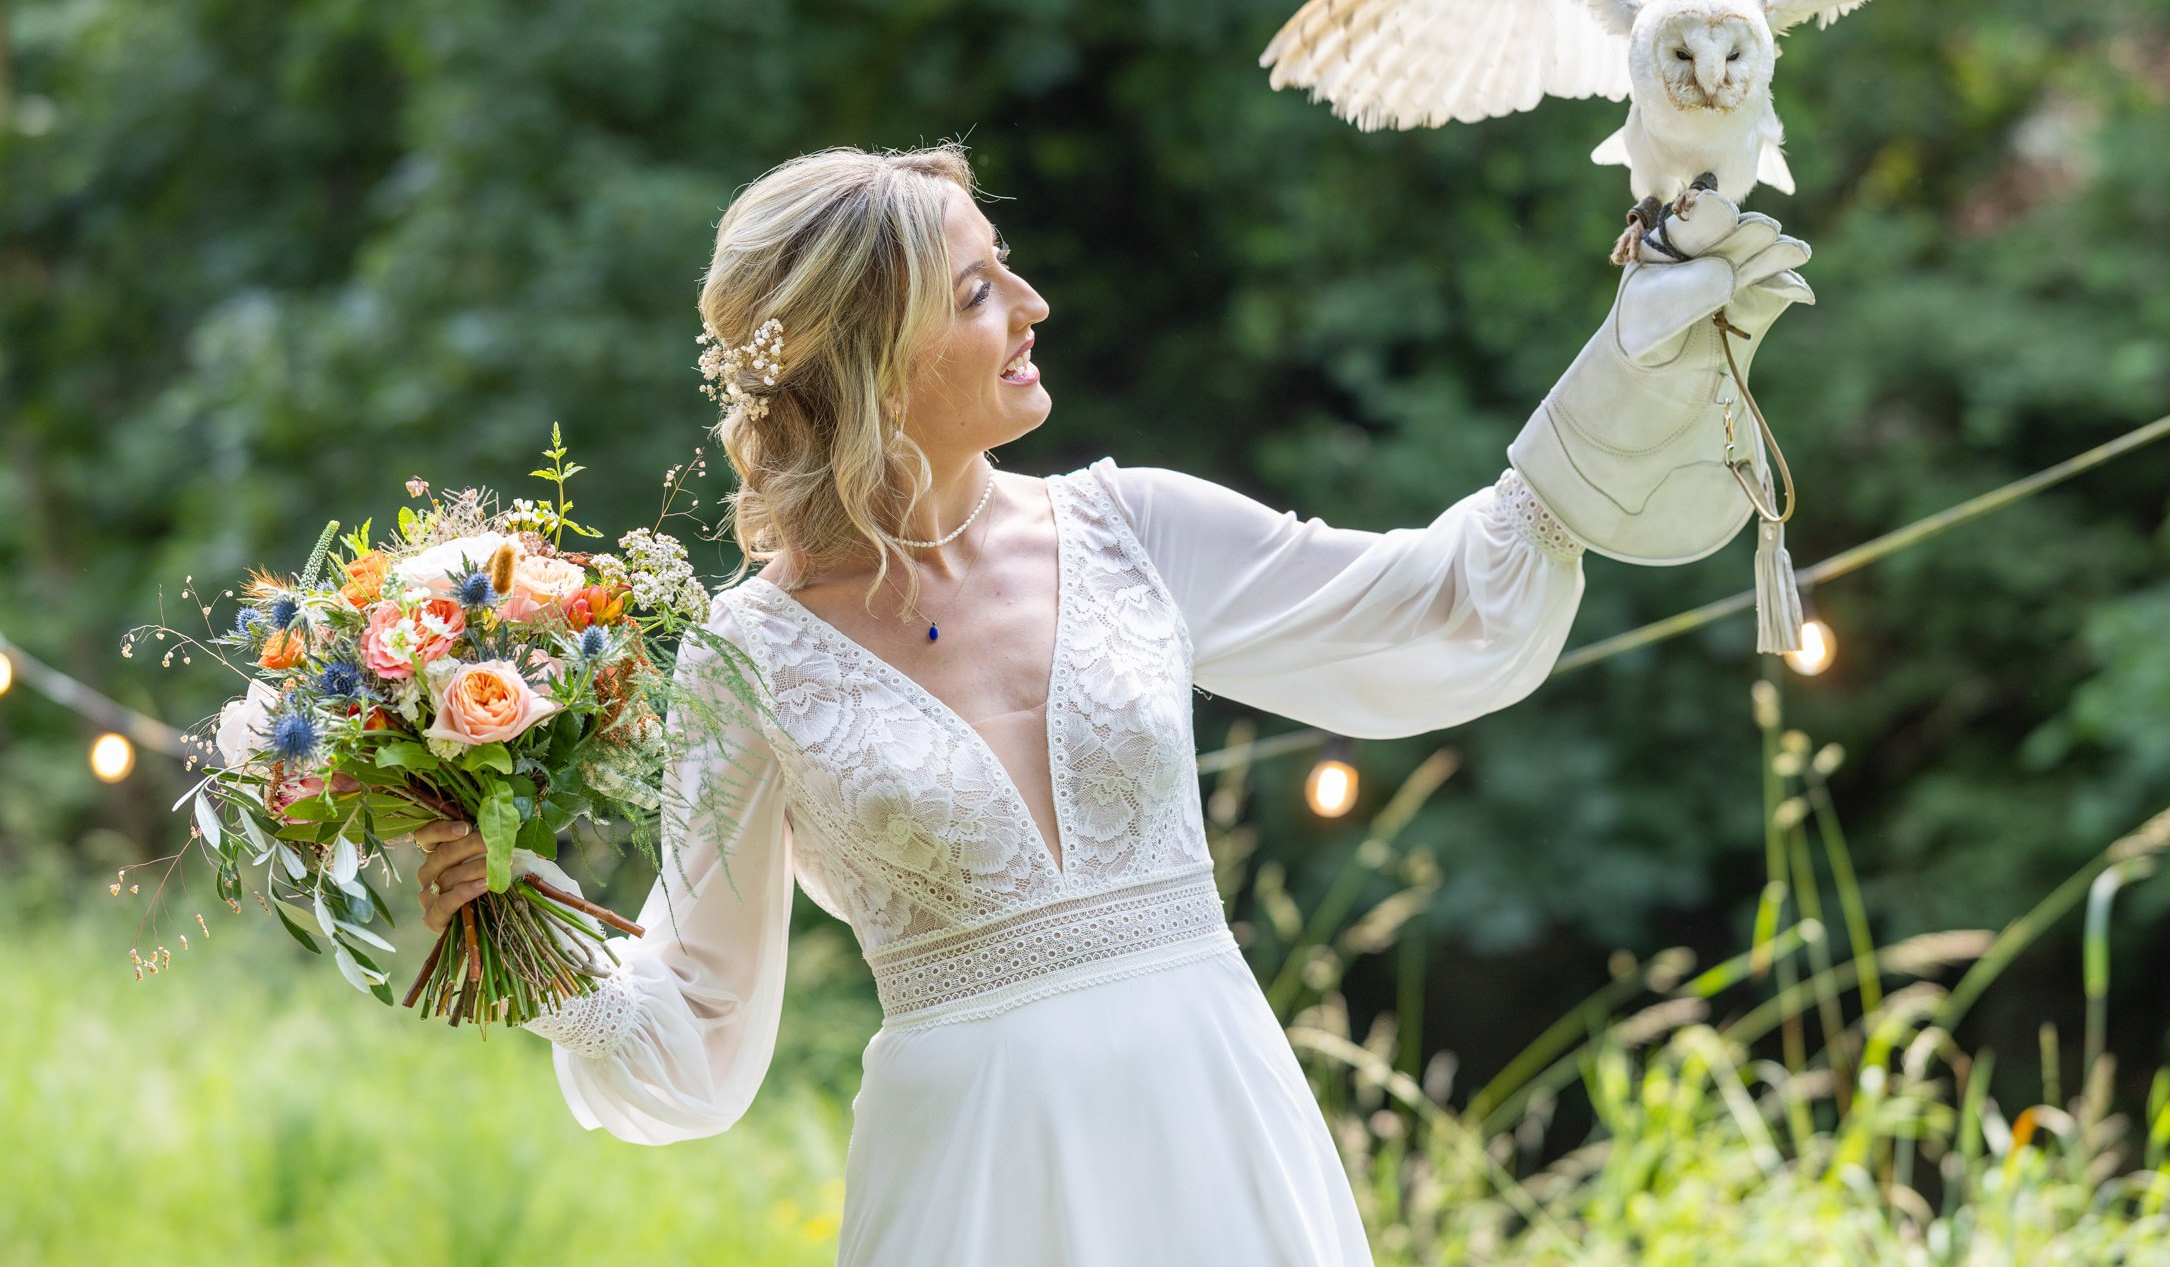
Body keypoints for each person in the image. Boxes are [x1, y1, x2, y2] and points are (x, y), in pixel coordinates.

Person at [411, 142, 1812, 1266]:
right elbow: (701, 1035)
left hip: (1212, 1127)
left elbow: (1443, 603)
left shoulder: (1134, 526)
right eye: (975, 292)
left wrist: (1631, 363)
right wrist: (516, 925)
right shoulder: (747, 655)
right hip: (971, 1183)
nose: (1030, 309)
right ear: (867, 358)